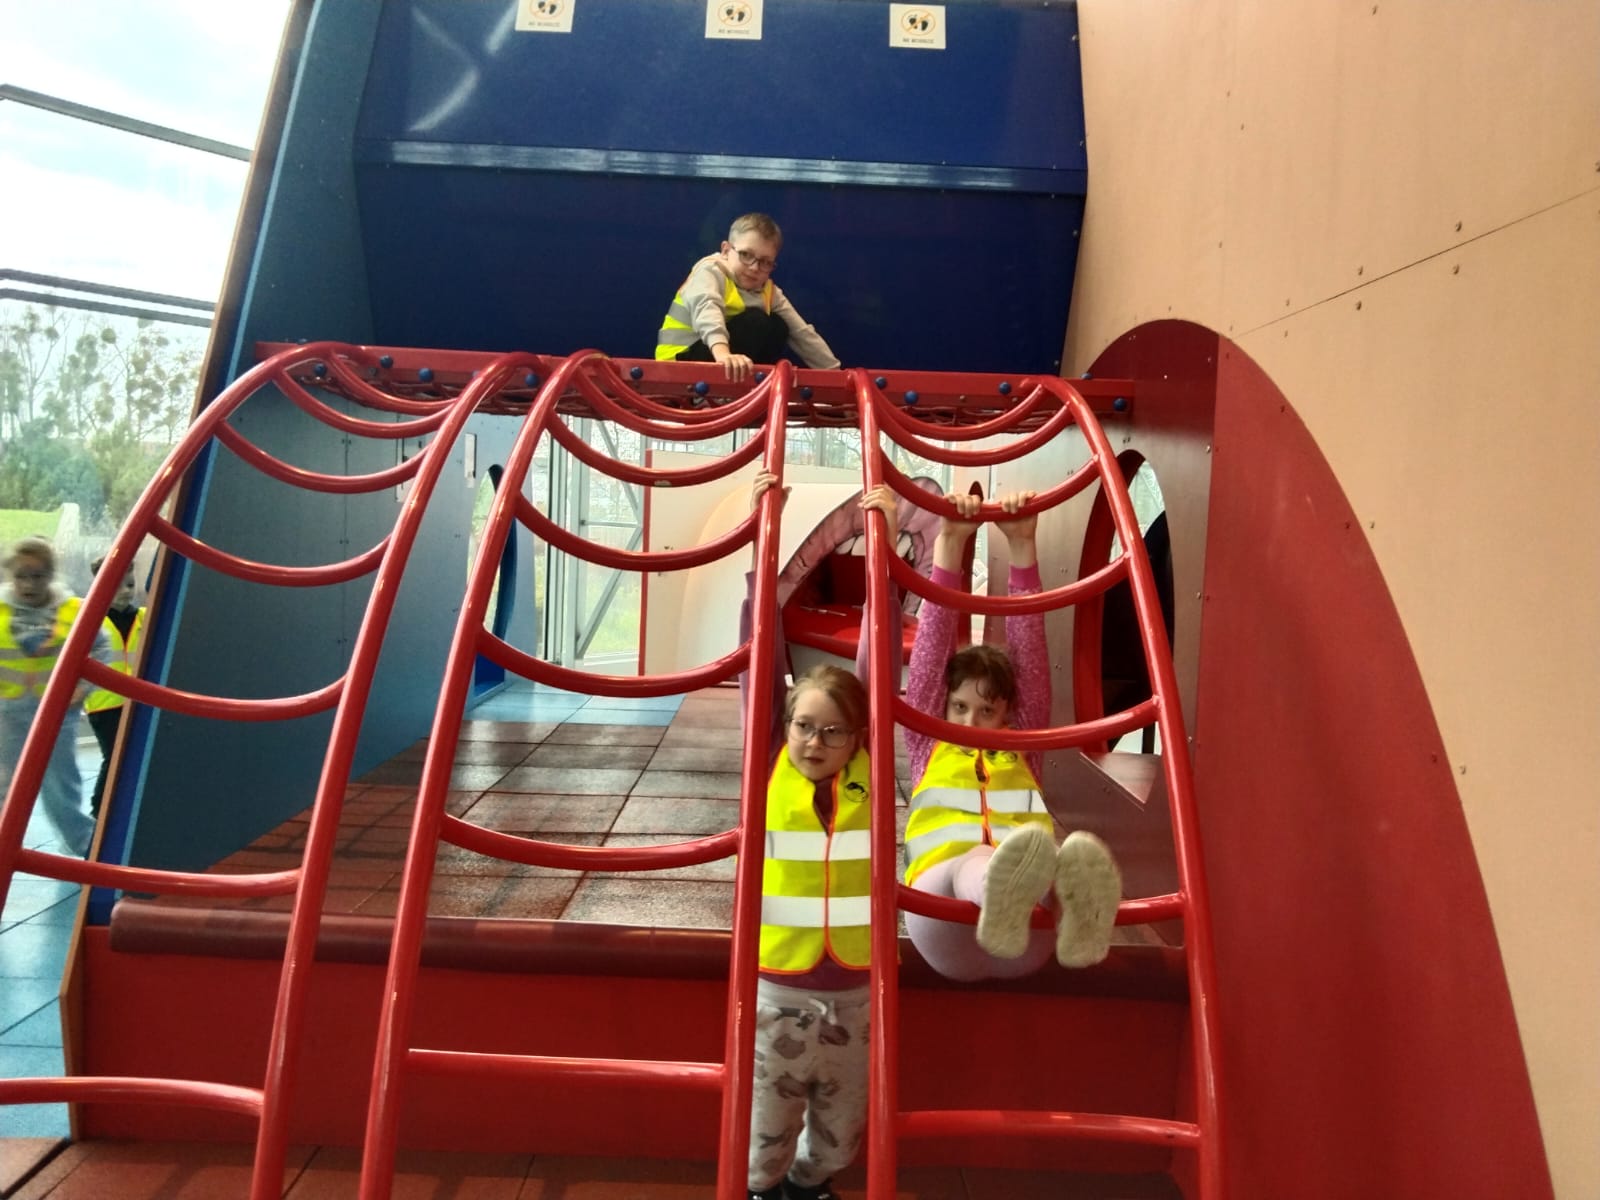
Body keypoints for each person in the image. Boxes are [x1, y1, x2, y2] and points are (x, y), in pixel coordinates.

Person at [739, 472, 894, 1200]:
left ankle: (808, 1187)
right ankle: (762, 1190)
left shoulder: (869, 769)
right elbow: (760, 652)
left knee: (840, 1130)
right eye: (805, 725)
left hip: (855, 988)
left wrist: (881, 553)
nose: (815, 741)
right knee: (765, 1125)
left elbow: (878, 663)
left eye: (833, 731)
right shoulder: (769, 760)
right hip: (781, 983)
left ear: (857, 736)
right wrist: (762, 539)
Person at [901, 489, 1123, 982]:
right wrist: (949, 545)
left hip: (1027, 938)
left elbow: (1030, 660)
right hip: (943, 914)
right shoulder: (928, 741)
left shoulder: (1021, 745)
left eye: (987, 710)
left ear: (1009, 714)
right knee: (973, 862)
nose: (971, 721)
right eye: (959, 707)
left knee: (1061, 858)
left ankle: (1073, 909)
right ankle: (1000, 886)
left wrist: (1024, 545)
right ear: (941, 706)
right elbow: (930, 653)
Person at [0, 537, 110, 857]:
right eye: (21, 576)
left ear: (50, 574)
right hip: (8, 713)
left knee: (60, 784)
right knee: (5, 782)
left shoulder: (72, 610)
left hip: (56, 714)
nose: (29, 584)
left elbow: (101, 648)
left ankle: (82, 843)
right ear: (10, 574)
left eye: (37, 576)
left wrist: (82, 688)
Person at [656, 213, 841, 381]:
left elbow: (802, 333)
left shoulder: (768, 290)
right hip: (679, 363)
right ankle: (710, 394)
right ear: (726, 250)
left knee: (779, 326)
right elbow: (707, 311)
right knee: (756, 321)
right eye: (746, 255)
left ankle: (744, 386)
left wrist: (836, 375)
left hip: (723, 359)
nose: (754, 267)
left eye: (765, 262)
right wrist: (723, 355)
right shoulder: (709, 272)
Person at [83, 555, 144, 816]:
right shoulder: (90, 621)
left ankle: (124, 807)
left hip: (140, 701)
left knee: (134, 756)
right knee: (115, 757)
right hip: (104, 704)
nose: (125, 592)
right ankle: (99, 809)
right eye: (117, 586)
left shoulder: (145, 618)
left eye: (129, 585)